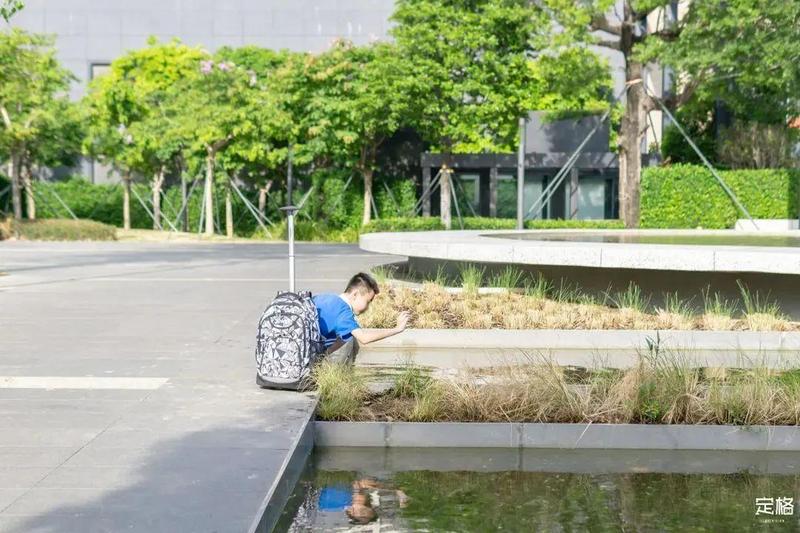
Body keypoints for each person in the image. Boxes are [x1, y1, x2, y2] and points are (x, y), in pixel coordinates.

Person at [313, 272, 410, 364]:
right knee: (347, 338)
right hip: (308, 357)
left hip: (305, 349)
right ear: (355, 294)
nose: (367, 307)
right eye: (368, 302)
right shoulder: (344, 312)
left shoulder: (325, 297)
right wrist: (397, 329)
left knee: (343, 336)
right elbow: (364, 338)